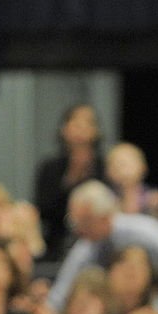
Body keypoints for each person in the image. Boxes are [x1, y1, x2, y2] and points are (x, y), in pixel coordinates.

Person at [47, 180, 158, 313]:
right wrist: (49, 311)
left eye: (84, 221)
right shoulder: (86, 245)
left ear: (104, 217)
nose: (78, 230)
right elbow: (62, 290)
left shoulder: (146, 232)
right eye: (74, 222)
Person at [33, 104, 105, 262]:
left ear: (96, 131)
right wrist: (71, 177)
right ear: (64, 129)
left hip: (98, 244)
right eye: (75, 123)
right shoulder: (50, 168)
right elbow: (43, 211)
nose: (81, 128)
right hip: (56, 244)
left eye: (88, 123)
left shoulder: (104, 167)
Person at [105, 142, 158, 220]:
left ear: (143, 167)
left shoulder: (153, 196)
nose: (122, 170)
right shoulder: (106, 196)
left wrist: (157, 209)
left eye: (125, 164)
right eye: (115, 165)